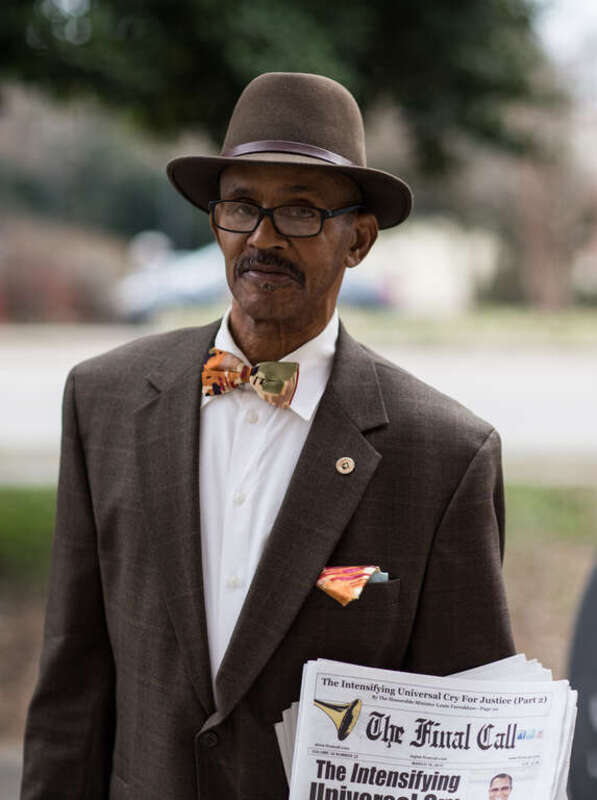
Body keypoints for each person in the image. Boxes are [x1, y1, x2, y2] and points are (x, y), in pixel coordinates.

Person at [21, 72, 514, 799]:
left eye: (302, 212)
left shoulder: (444, 456)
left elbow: (463, 740)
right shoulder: (104, 401)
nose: (263, 237)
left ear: (360, 240)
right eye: (241, 206)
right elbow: (72, 685)